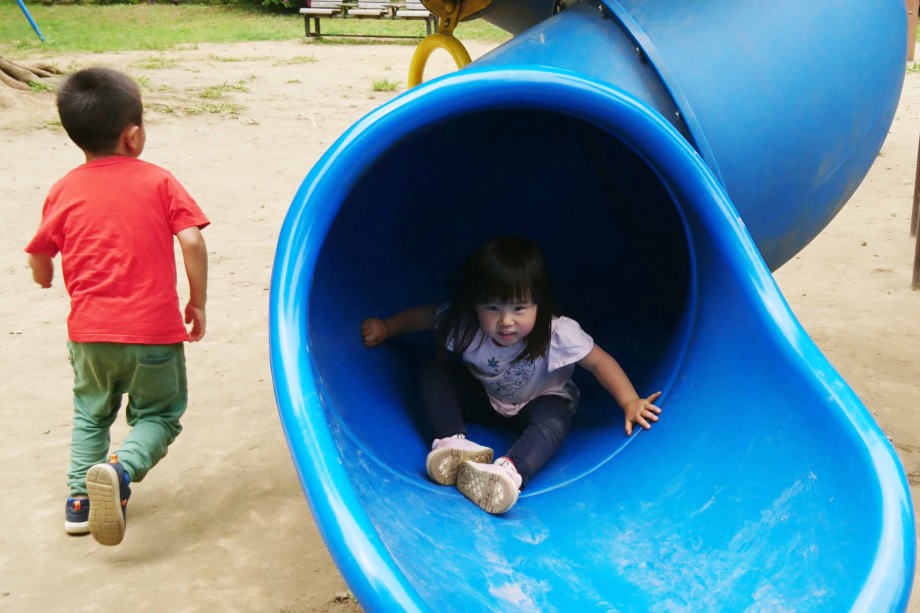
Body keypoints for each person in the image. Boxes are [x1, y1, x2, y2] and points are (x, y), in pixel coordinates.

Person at [24, 67, 210, 546]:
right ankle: (121, 470)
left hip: (89, 334)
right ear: (133, 136)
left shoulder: (64, 188)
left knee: (91, 413)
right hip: (153, 334)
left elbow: (40, 251)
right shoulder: (159, 182)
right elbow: (191, 240)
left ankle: (79, 503)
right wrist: (197, 302)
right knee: (160, 416)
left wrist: (44, 276)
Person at [361, 236, 661, 514]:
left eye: (519, 308)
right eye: (493, 307)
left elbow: (598, 362)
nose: (506, 321)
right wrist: (387, 327)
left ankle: (509, 471)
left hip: (540, 400)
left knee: (555, 419)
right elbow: (427, 317)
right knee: (433, 370)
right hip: (487, 397)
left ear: (538, 304)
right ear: (475, 304)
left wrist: (630, 401)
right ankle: (452, 442)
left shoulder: (557, 332)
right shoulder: (466, 326)